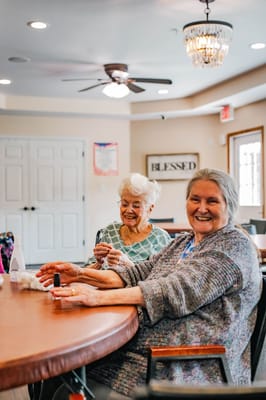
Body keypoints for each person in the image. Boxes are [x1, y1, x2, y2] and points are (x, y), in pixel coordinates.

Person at [38, 168, 262, 399]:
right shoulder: (184, 242)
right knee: (54, 371)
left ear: (230, 205)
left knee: (63, 386)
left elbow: (173, 291)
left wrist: (96, 297)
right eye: (195, 199)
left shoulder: (233, 247)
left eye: (212, 201)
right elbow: (137, 273)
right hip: (143, 351)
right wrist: (79, 274)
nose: (201, 208)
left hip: (182, 366)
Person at [36, 172, 172, 286]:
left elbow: (160, 285)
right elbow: (86, 270)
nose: (128, 210)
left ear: (150, 208)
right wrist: (98, 263)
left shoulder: (160, 239)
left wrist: (129, 265)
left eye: (136, 205)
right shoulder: (110, 231)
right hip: (98, 292)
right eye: (124, 204)